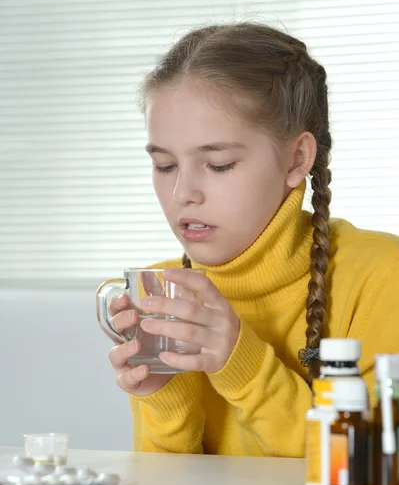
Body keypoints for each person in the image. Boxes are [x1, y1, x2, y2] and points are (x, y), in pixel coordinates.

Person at [106, 22, 399, 456]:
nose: (182, 193)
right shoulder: (163, 291)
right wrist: (165, 398)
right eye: (165, 165)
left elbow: (372, 466)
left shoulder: (381, 276)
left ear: (297, 159)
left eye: (219, 164)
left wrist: (243, 367)